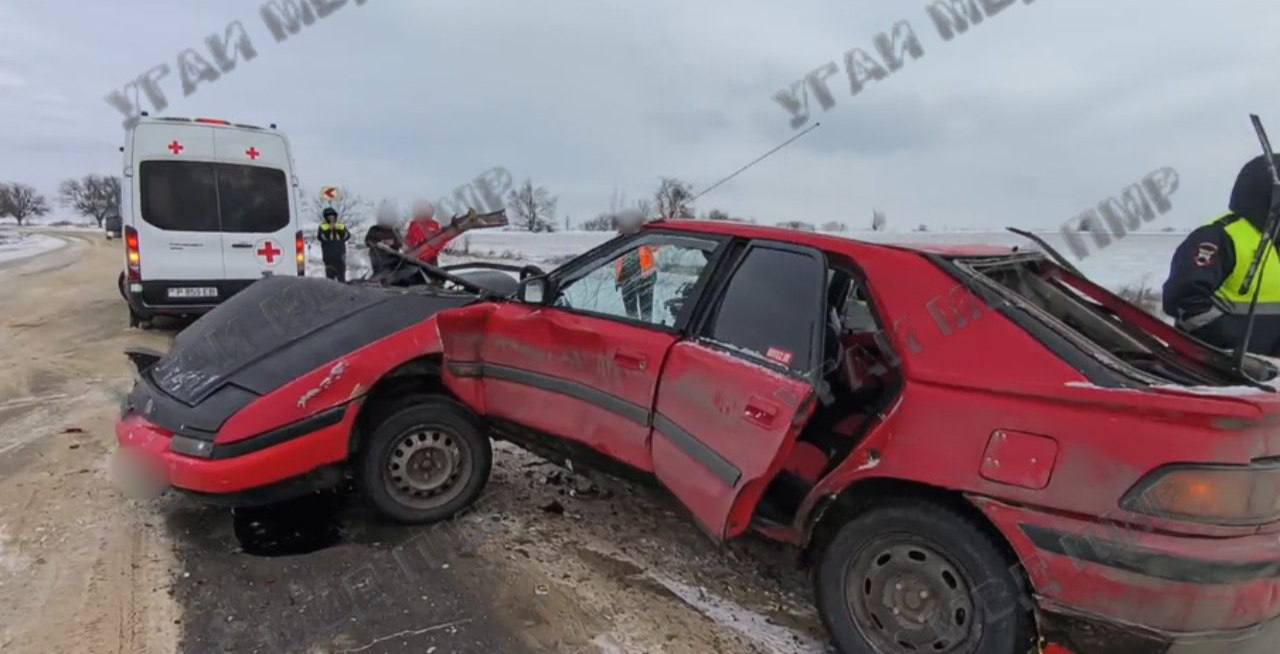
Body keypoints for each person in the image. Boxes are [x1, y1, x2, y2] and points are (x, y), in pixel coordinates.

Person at [1163, 154, 1280, 355]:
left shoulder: (1276, 243)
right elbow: (1184, 300)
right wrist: (1232, 346)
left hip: (1270, 369)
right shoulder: (1219, 237)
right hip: (1210, 367)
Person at [614, 209, 657, 321]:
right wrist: (618, 279)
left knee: (646, 313)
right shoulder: (619, 239)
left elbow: (656, 246)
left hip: (646, 278)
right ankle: (634, 329)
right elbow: (617, 261)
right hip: (626, 279)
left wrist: (647, 228)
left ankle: (646, 329)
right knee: (631, 314)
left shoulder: (645, 236)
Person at [365, 201, 404, 277]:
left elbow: (401, 243)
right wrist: (377, 243)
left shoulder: (395, 231)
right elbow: (367, 240)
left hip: (392, 258)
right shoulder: (374, 229)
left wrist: (393, 243)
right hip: (377, 256)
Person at [405, 200, 444, 266]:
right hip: (418, 258)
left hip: (432, 258)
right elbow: (409, 239)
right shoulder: (413, 224)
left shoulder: (434, 224)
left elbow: (439, 240)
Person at [316, 207, 350, 281]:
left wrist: (339, 231)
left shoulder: (340, 225)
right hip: (329, 256)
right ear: (325, 217)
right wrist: (329, 230)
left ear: (335, 216)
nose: (331, 217)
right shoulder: (322, 227)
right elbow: (321, 237)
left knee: (341, 277)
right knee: (330, 278)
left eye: (332, 215)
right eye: (329, 216)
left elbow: (347, 236)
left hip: (340, 255)